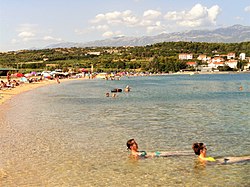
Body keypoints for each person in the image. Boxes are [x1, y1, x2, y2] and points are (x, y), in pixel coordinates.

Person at [127, 139, 192, 159]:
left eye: (136, 143)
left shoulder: (137, 152)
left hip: (157, 153)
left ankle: (192, 152)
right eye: (134, 144)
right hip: (157, 155)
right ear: (131, 146)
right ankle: (193, 153)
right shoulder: (134, 154)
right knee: (175, 154)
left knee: (176, 152)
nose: (137, 144)